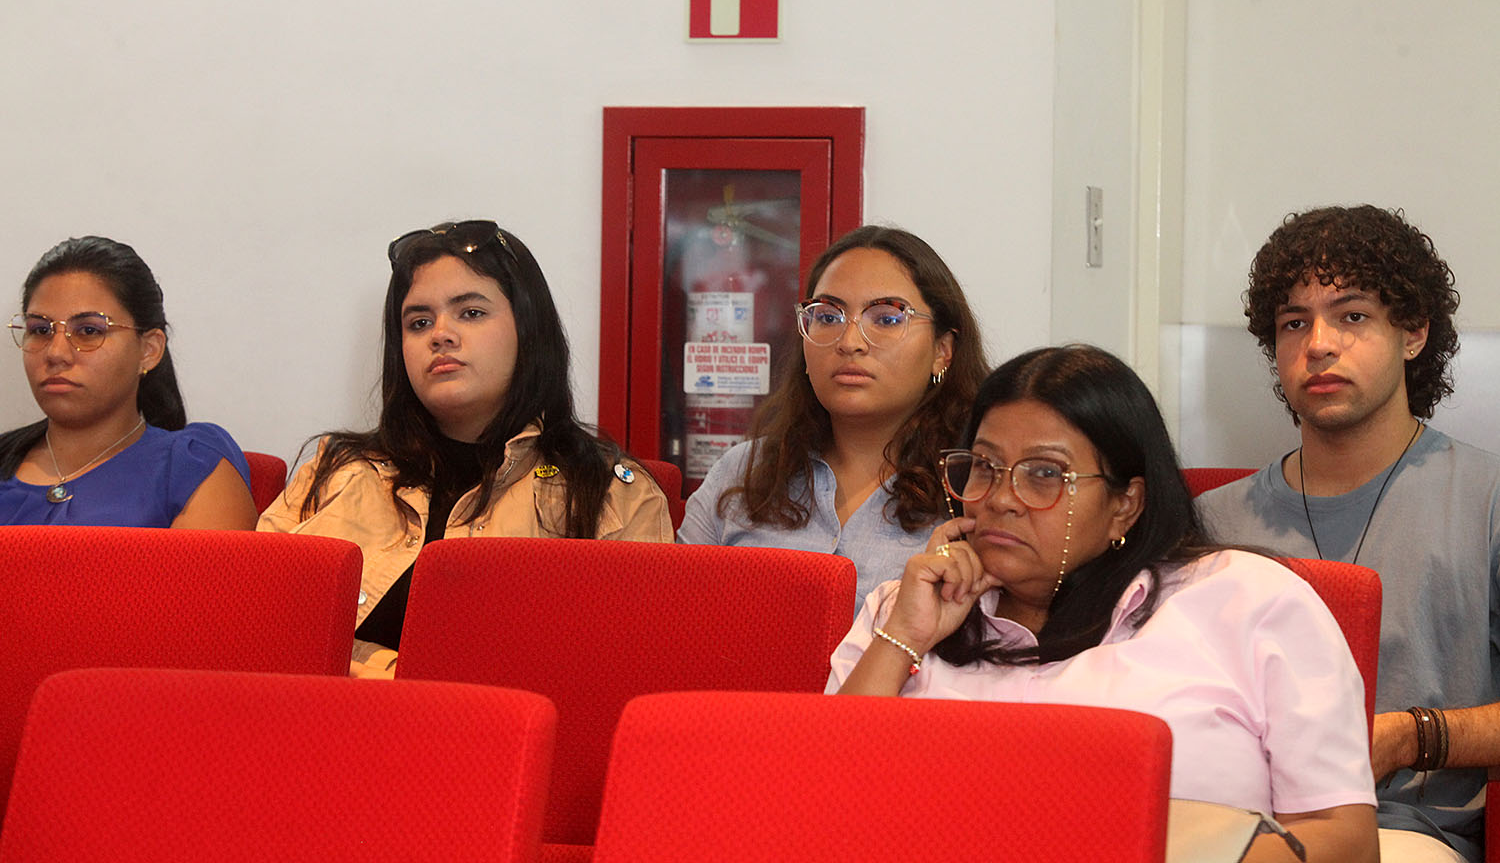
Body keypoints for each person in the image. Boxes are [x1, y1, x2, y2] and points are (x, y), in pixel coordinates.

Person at [831, 345, 1378, 862]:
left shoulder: (1248, 601)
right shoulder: (906, 607)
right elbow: (824, 804)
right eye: (984, 466)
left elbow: (1345, 839)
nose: (1000, 499)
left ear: (1124, 505)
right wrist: (903, 639)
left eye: (1045, 474)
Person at [1197, 205, 1500, 863]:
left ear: (1413, 333)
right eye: (1294, 323)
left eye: (1352, 316)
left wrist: (1413, 737)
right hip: (1232, 825)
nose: (1319, 344)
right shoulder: (1211, 523)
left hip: (1402, 833)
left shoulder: (1487, 499)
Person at [258, 221, 673, 678]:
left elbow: (622, 674)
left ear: (528, 330)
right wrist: (396, 675)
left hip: (516, 724)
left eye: (471, 313)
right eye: (419, 322)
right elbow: (259, 628)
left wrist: (379, 674)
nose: (441, 335)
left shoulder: (613, 493)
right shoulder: (334, 470)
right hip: (326, 720)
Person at [678, 226, 988, 608]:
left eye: (887, 319)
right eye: (827, 317)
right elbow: (672, 616)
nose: (849, 342)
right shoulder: (742, 473)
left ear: (943, 350)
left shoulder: (973, 487)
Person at [0, 236, 256, 529]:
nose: (56, 353)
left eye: (89, 331)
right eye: (40, 330)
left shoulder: (190, 466)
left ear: (149, 350)